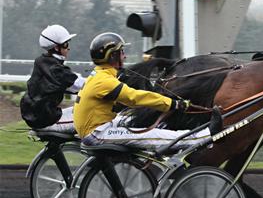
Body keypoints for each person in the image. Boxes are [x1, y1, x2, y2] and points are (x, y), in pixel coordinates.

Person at [73, 32, 222, 152]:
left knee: (131, 120)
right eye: (121, 52)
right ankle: (205, 136)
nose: (124, 56)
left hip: (98, 128)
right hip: (97, 133)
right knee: (152, 135)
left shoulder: (99, 75)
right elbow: (135, 98)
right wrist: (173, 104)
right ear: (112, 56)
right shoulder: (104, 81)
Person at [20, 24, 85, 133]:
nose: (68, 47)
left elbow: (69, 86)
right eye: (65, 44)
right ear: (56, 47)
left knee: (79, 111)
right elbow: (81, 85)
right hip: (46, 119)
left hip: (36, 115)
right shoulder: (57, 69)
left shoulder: (41, 61)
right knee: (92, 119)